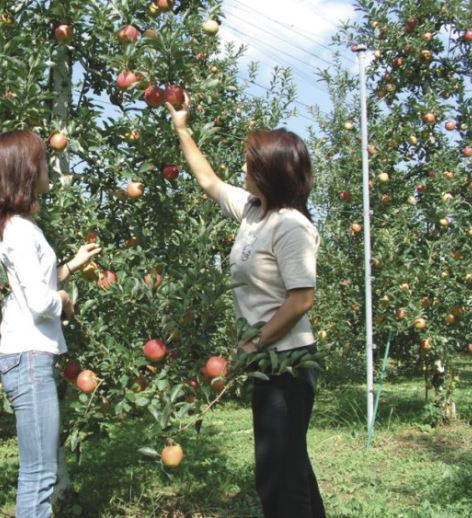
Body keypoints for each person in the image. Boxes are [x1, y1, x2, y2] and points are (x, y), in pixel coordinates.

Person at [166, 94, 326, 518]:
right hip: (265, 359)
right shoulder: (254, 210)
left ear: (271, 173)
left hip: (288, 361)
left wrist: (255, 343)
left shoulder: (291, 226)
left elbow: (302, 299)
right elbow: (209, 181)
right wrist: (182, 128)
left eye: (251, 165)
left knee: (279, 473)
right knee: (289, 466)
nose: (243, 171)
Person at [0, 130, 101, 518]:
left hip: (25, 356)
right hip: (29, 359)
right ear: (27, 170)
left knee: (39, 469)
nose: (48, 165)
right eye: (43, 160)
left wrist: (70, 266)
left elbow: (33, 283)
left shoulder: (13, 227)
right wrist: (63, 301)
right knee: (40, 473)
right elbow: (41, 299)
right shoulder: (20, 230)